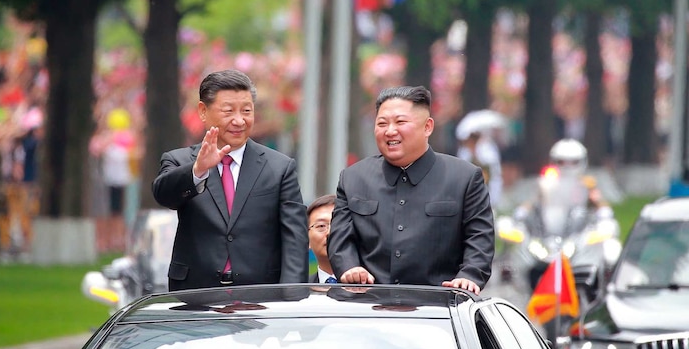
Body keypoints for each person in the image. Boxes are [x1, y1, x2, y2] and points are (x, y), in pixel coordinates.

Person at [328, 85, 495, 294]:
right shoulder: (353, 178)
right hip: (368, 308)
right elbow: (340, 238)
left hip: (439, 309)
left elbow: (479, 237)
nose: (390, 131)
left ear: (427, 127)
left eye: (400, 122)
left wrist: (469, 277)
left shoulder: (464, 178)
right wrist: (349, 267)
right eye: (382, 123)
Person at [152, 69, 308, 290]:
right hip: (196, 294)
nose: (239, 120)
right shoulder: (180, 160)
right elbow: (163, 195)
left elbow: (295, 238)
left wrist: (291, 296)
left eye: (246, 111)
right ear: (203, 111)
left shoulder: (279, 167)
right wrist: (198, 170)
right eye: (228, 111)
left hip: (260, 295)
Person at [307, 194, 337, 283]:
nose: (329, 233)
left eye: (337, 224)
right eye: (321, 226)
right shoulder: (299, 290)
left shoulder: (375, 287)